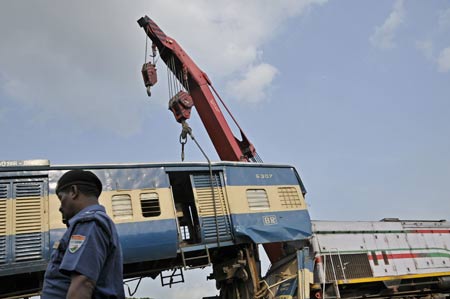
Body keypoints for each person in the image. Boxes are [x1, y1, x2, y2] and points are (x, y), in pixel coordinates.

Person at [42, 169, 125, 298]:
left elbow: (83, 284)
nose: (60, 207)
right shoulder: (95, 222)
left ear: (74, 192)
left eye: (61, 198)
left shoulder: (88, 223)